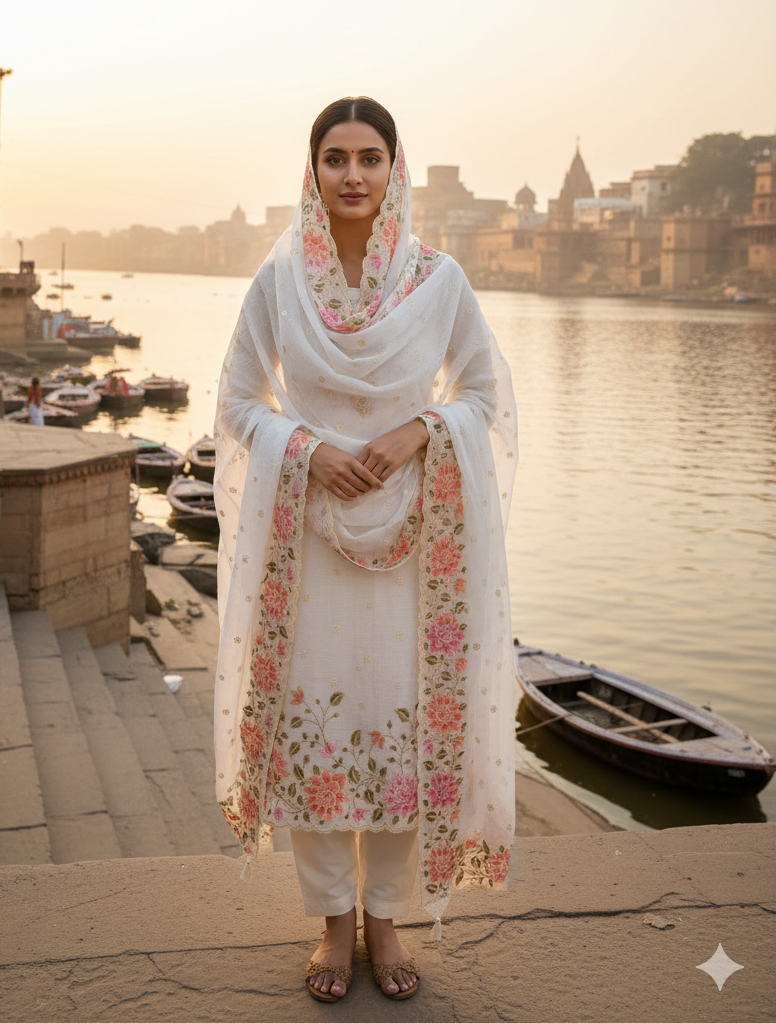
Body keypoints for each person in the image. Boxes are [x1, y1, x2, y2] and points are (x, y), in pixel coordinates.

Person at [213, 97, 518, 1002]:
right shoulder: (280, 282)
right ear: (312, 170)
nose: (352, 175)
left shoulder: (438, 281)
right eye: (336, 157)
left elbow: (485, 397)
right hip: (307, 543)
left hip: (414, 552)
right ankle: (331, 928)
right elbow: (237, 405)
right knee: (318, 730)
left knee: (399, 729)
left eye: (370, 158)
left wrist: (418, 431)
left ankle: (386, 924)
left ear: (395, 170)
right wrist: (307, 451)